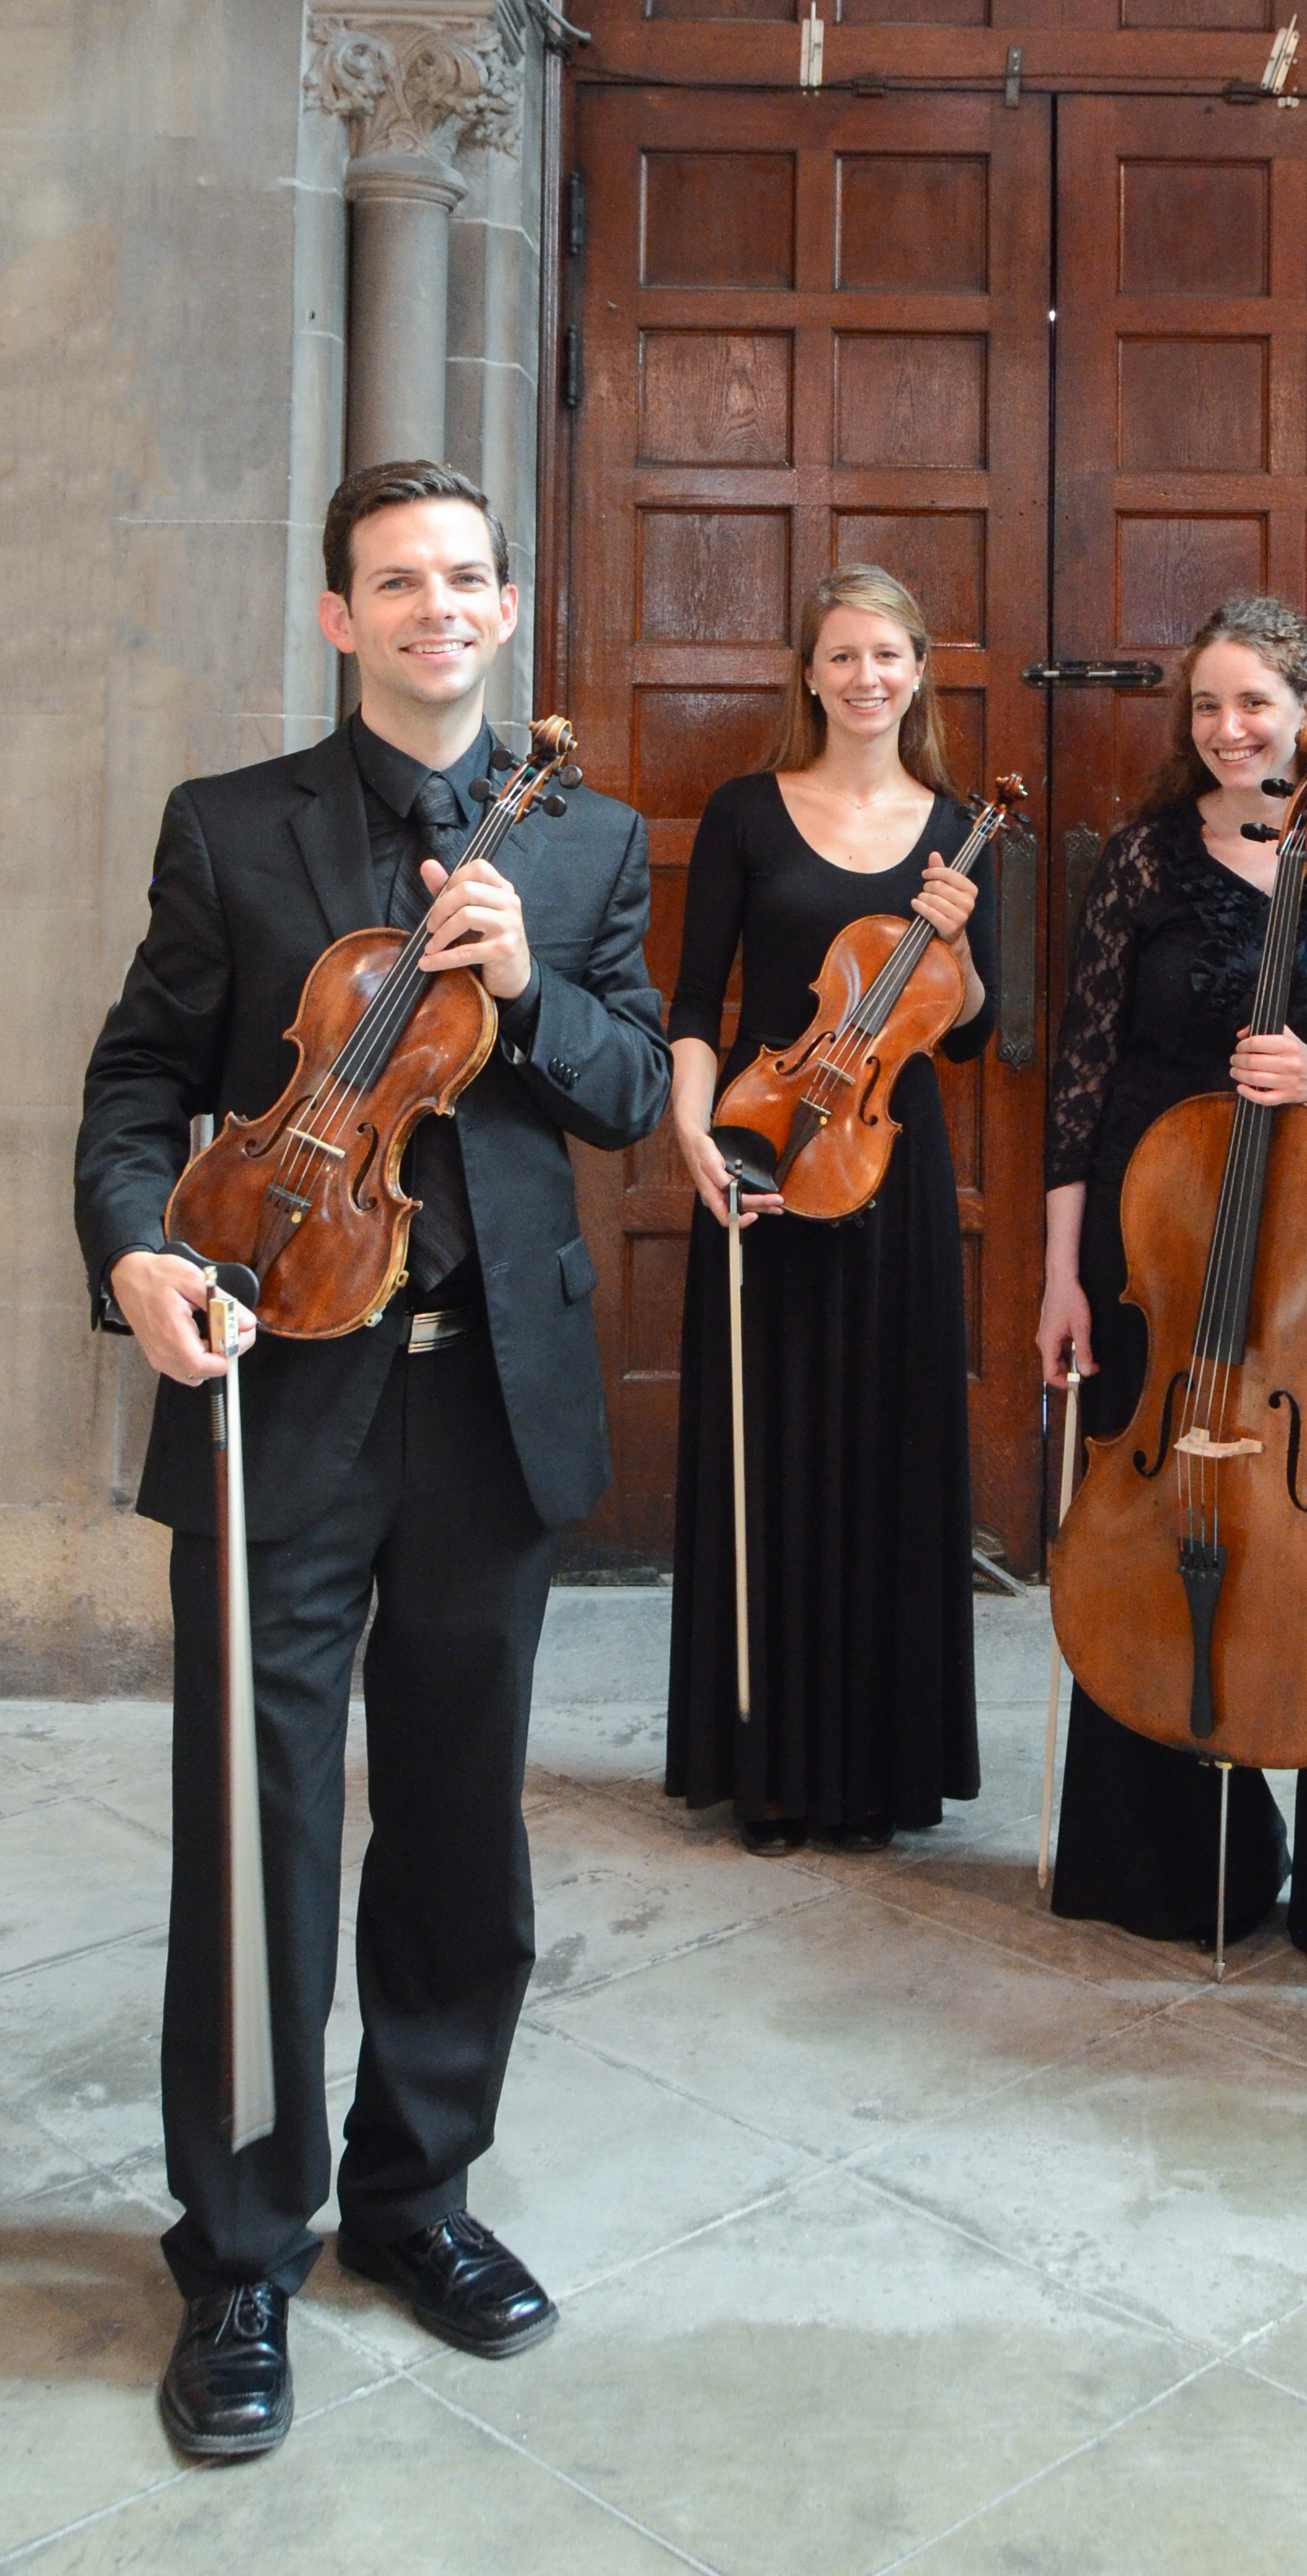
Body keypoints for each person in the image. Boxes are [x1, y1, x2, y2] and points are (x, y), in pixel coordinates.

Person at [73, 459, 670, 2456]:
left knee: (456, 1824)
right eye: (396, 580)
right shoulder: (231, 826)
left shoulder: (589, 843)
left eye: (465, 577)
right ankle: (243, 2251)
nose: (435, 607)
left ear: (505, 608)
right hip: (279, 1384)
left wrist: (523, 994)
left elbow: (627, 1088)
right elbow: (141, 1082)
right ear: (340, 615)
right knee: (258, 1829)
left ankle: (418, 2196)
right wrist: (137, 1249)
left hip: (490, 1401)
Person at [1036, 595, 1307, 1974]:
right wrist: (1062, 1277)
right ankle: (1163, 1864)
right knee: (1156, 1526)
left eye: (1255, 704)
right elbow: (1082, 1081)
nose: (1229, 729)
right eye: (1208, 706)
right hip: (1161, 1246)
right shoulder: (1148, 857)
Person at [664, 564, 997, 1852]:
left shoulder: (959, 831)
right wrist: (692, 1133)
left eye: (889, 655)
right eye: (844, 655)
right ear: (808, 673)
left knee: (885, 1459)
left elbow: (970, 1034)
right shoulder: (746, 811)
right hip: (756, 1151)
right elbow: (696, 1002)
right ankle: (766, 1768)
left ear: (918, 674)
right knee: (770, 1453)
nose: (867, 677)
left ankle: (874, 1776)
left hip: (890, 1168)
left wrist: (957, 950)